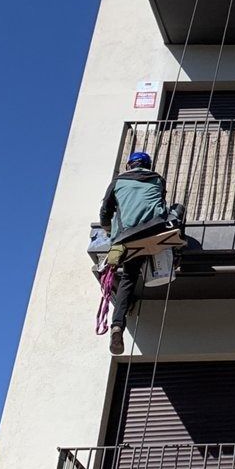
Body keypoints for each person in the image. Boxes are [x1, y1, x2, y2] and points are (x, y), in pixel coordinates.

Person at [99, 151, 169, 355]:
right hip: (156, 232)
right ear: (148, 165)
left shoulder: (118, 182)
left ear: (129, 165)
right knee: (178, 210)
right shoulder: (158, 180)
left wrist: (109, 230)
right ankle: (174, 257)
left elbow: (105, 211)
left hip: (128, 237)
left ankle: (117, 326)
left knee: (128, 279)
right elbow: (160, 204)